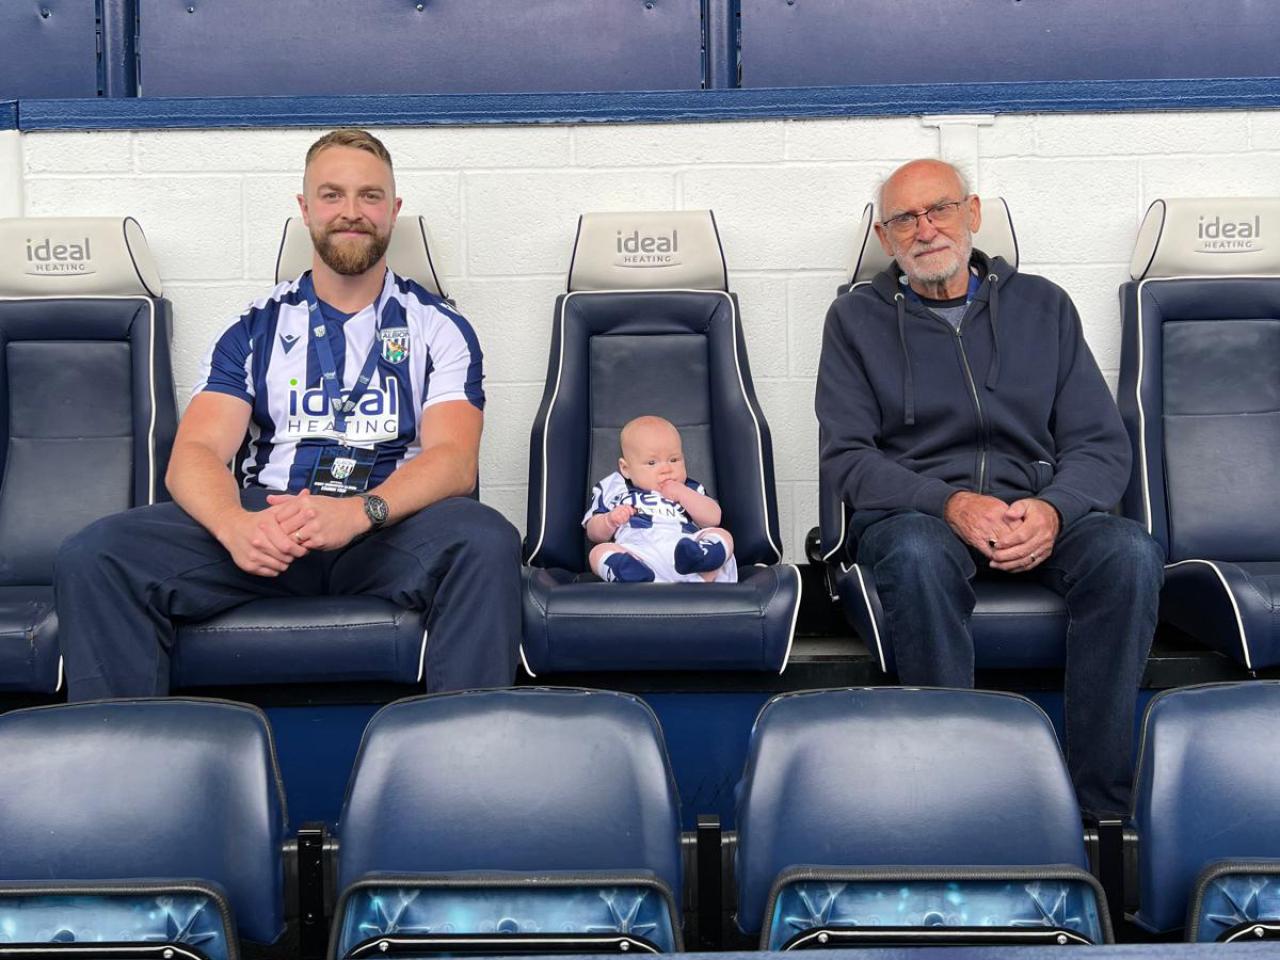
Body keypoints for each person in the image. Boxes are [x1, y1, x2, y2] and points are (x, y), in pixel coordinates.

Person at [55, 128, 521, 699]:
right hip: (266, 524)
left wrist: (356, 513)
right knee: (95, 555)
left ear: (394, 211)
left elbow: (454, 461)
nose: (351, 212)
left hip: (383, 528)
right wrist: (235, 526)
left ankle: (464, 768)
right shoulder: (254, 327)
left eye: (370, 196)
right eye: (332, 195)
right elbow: (196, 453)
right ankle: (128, 770)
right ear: (304, 209)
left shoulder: (438, 326)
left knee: (486, 539)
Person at [815, 158, 1164, 819]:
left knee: (1130, 554)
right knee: (916, 554)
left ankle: (1099, 812)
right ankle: (959, 799)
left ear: (972, 215)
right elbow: (847, 460)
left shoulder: (1044, 306)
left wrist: (1054, 509)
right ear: (886, 239)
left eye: (939, 209)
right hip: (918, 514)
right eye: (904, 219)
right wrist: (948, 502)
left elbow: (1098, 444)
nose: (925, 230)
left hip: (1035, 502)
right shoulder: (853, 321)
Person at [584, 416, 736, 584]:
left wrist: (682, 494)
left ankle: (702, 559)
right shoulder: (614, 490)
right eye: (651, 463)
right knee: (598, 553)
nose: (666, 469)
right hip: (639, 557)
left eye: (674, 460)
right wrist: (609, 520)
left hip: (687, 556)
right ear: (626, 469)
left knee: (722, 535)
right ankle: (629, 574)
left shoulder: (689, 488)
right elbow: (593, 533)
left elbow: (713, 518)